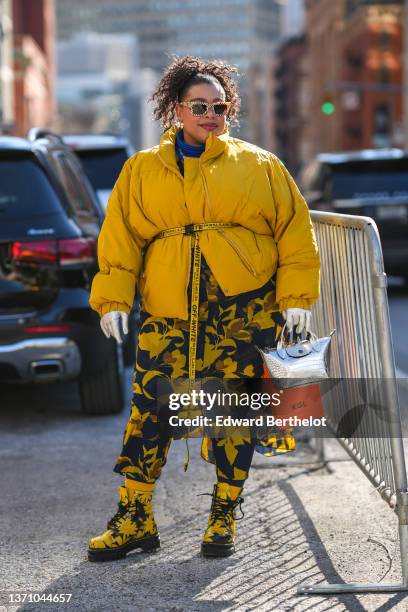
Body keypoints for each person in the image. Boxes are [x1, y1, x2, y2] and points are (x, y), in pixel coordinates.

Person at [87, 55, 320, 562]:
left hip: (243, 309)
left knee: (233, 411)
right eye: (200, 106)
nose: (211, 114)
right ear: (176, 110)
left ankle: (222, 514)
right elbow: (120, 238)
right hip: (168, 311)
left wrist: (296, 298)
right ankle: (134, 517)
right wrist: (111, 298)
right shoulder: (142, 169)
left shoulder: (259, 164)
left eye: (220, 106)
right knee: (149, 410)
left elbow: (294, 234)